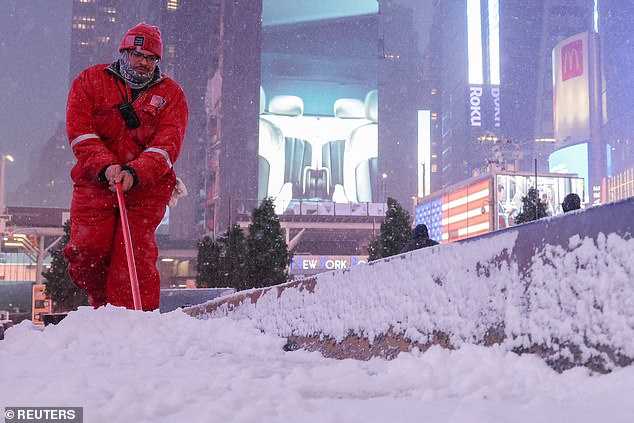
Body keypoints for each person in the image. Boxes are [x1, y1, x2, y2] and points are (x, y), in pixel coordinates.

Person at [63, 23, 189, 311]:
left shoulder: (172, 95)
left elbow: (167, 145)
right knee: (87, 250)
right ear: (124, 52)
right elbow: (81, 132)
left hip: (147, 187)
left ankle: (135, 321)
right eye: (137, 55)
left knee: (133, 254)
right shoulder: (90, 81)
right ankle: (101, 302)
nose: (144, 62)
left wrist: (135, 173)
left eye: (151, 58)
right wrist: (105, 166)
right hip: (95, 181)